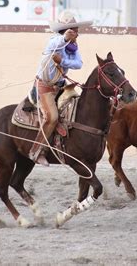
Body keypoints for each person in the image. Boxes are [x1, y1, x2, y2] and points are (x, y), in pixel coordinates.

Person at [29, 11, 92, 166]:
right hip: (45, 86)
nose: (76, 33)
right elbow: (56, 44)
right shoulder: (54, 42)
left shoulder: (73, 48)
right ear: (65, 31)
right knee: (52, 118)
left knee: (79, 110)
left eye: (76, 30)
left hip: (61, 86)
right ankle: (35, 151)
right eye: (72, 30)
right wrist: (65, 39)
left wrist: (63, 60)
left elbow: (78, 64)